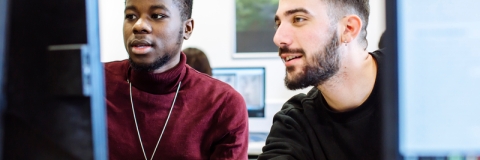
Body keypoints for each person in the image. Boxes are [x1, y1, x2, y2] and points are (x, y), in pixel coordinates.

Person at [104, 0, 249, 159]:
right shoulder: (97, 83)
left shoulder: (223, 104)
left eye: (157, 15)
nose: (138, 26)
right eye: (130, 16)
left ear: (187, 28)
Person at [258, 0, 384, 159]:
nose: (278, 38)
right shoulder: (295, 123)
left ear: (348, 29)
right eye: (278, 23)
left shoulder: (416, 79)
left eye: (298, 19)